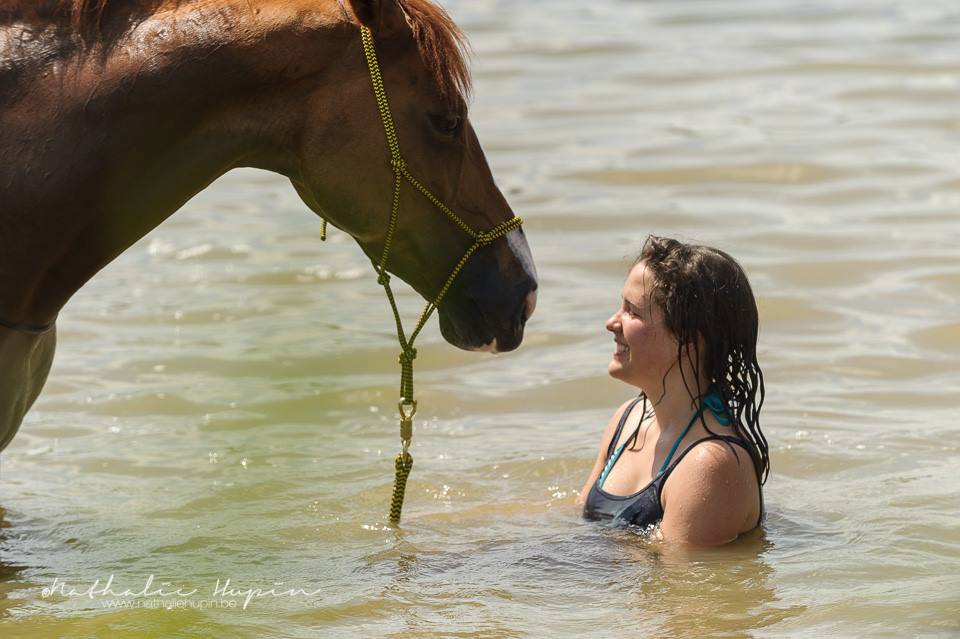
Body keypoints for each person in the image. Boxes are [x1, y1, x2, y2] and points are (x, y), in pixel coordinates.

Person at [578, 235, 769, 545]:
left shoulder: (710, 465)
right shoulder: (628, 419)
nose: (611, 322)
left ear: (687, 339)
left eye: (632, 312)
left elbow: (678, 574)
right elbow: (577, 521)